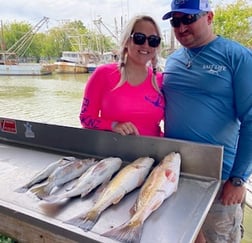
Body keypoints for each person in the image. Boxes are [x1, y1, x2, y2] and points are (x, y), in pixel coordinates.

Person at [161, 0, 252, 242]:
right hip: (175, 173)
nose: (181, 28)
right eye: (175, 21)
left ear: (209, 17)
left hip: (220, 179)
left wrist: (238, 178)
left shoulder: (237, 56)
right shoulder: (172, 60)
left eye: (189, 19)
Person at [79, 15, 164, 137]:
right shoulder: (103, 74)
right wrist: (113, 125)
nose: (146, 45)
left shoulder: (162, 81)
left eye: (153, 40)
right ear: (126, 41)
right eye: (139, 38)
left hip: (154, 153)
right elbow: (85, 118)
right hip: (114, 152)